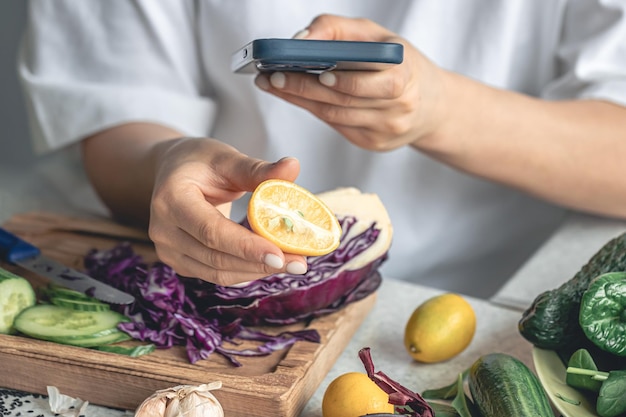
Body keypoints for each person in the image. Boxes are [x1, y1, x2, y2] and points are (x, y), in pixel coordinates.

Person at [18, 1, 626, 298]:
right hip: (220, 283)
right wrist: (167, 167)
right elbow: (116, 110)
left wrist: (440, 109)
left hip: (497, 291)